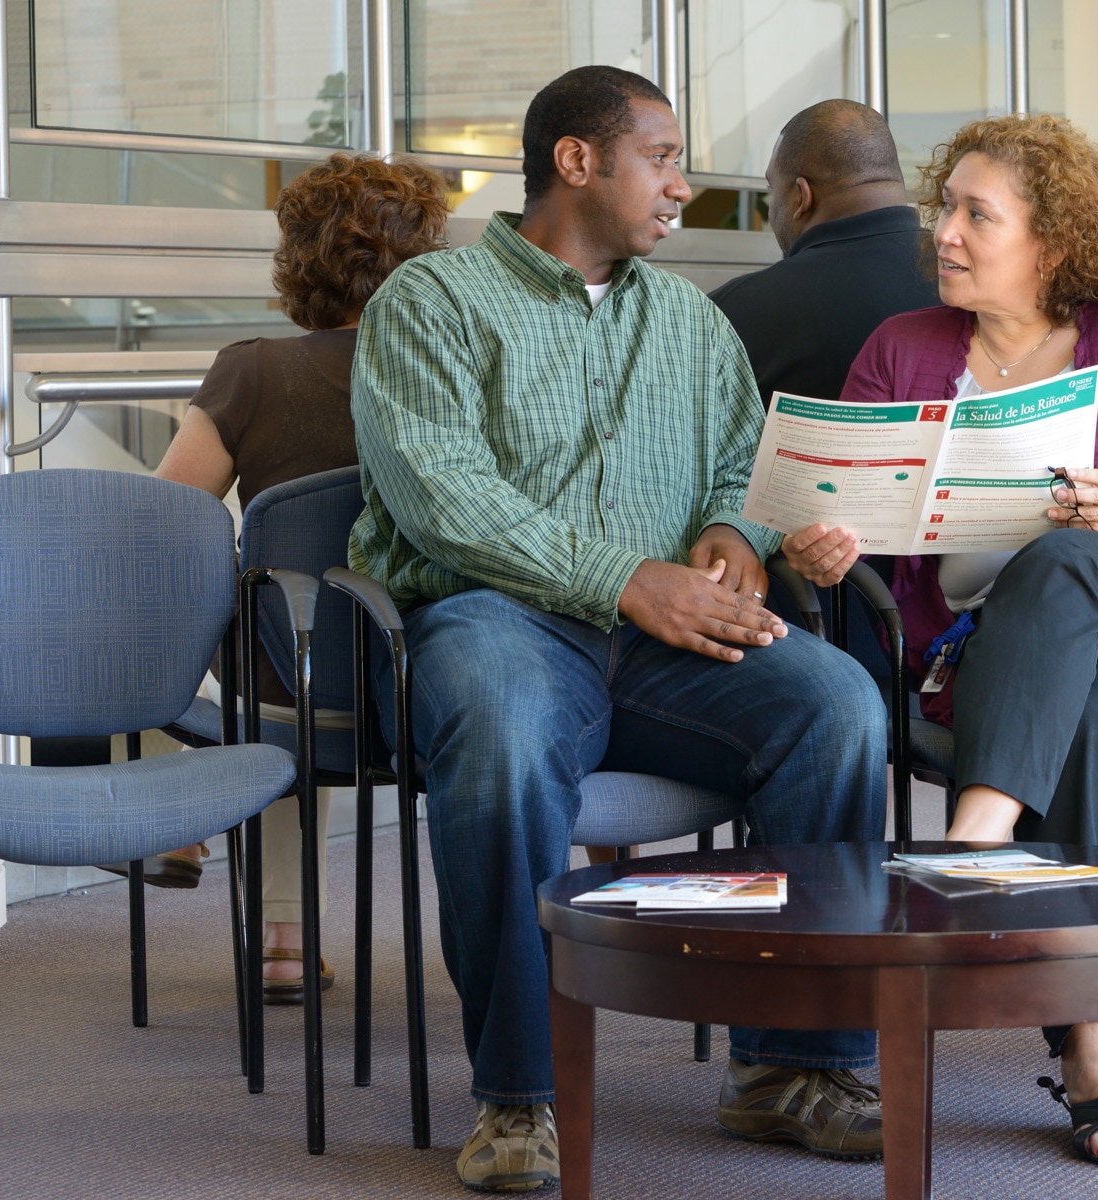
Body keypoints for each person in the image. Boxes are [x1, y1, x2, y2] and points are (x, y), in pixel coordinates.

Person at [348, 66, 888, 1193]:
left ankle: (792, 1068)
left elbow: (746, 458)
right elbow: (444, 499)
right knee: (498, 733)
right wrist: (628, 580)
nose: (684, 186)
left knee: (836, 705)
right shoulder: (430, 304)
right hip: (496, 622)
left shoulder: (687, 319)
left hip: (661, 646)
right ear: (577, 162)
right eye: (663, 157)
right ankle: (519, 1096)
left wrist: (735, 531)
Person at [783, 114, 1098, 1168]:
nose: (947, 233)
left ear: (1052, 241)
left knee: (1058, 562)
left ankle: (969, 847)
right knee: (1088, 722)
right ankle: (1094, 1048)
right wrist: (824, 549)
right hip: (1002, 659)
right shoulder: (905, 348)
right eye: (946, 208)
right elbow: (847, 510)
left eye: (978, 214)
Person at [149, 151, 449, 1002]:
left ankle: (275, 935)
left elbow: (163, 529)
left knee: (273, 636)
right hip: (430, 677)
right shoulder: (460, 372)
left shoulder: (253, 370)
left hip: (294, 687)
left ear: (297, 258)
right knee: (298, 634)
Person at [710, 97, 940, 668]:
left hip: (827, 627)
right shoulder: (979, 283)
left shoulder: (739, 312)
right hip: (980, 605)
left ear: (801, 195)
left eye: (772, 195)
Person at [710, 98, 940, 406]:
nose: (772, 206)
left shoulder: (729, 313)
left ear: (802, 196)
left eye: (772, 190)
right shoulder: (970, 284)